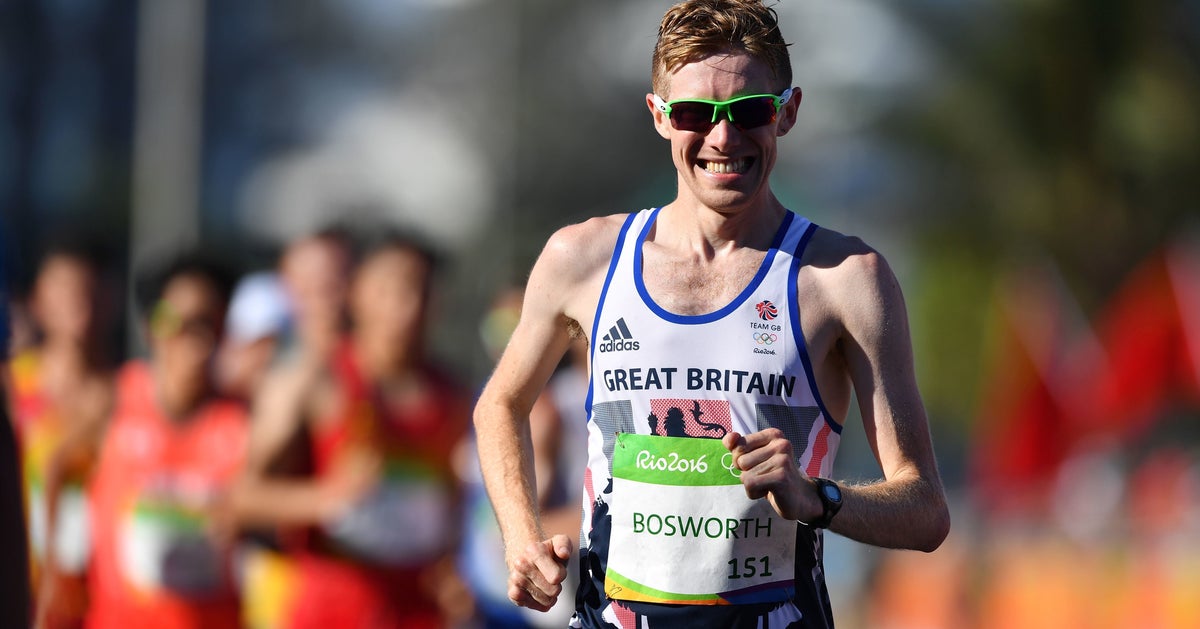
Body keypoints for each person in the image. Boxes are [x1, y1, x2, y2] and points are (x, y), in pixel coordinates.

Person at [472, 1, 951, 627]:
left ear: (788, 113)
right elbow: (499, 405)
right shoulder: (582, 259)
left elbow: (925, 511)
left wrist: (816, 498)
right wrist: (521, 536)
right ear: (659, 117)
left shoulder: (845, 279)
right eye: (696, 113)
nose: (723, 138)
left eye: (750, 111)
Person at [231, 231, 471, 629]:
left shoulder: (456, 395)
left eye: (421, 291)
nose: (406, 307)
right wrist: (324, 499)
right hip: (329, 609)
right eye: (389, 289)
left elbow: (454, 512)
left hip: (419, 611)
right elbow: (239, 499)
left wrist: (455, 569)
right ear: (355, 291)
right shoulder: (312, 379)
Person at [85, 253, 247, 628]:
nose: (191, 338)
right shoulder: (112, 399)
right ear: (149, 327)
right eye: (176, 321)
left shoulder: (244, 421)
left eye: (206, 323)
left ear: (223, 331)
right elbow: (52, 466)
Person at [8, 243, 115, 628]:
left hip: (97, 593)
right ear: (38, 302)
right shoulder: (14, 386)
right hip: (24, 585)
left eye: (88, 289)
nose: (78, 302)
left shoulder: (122, 395)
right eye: (65, 289)